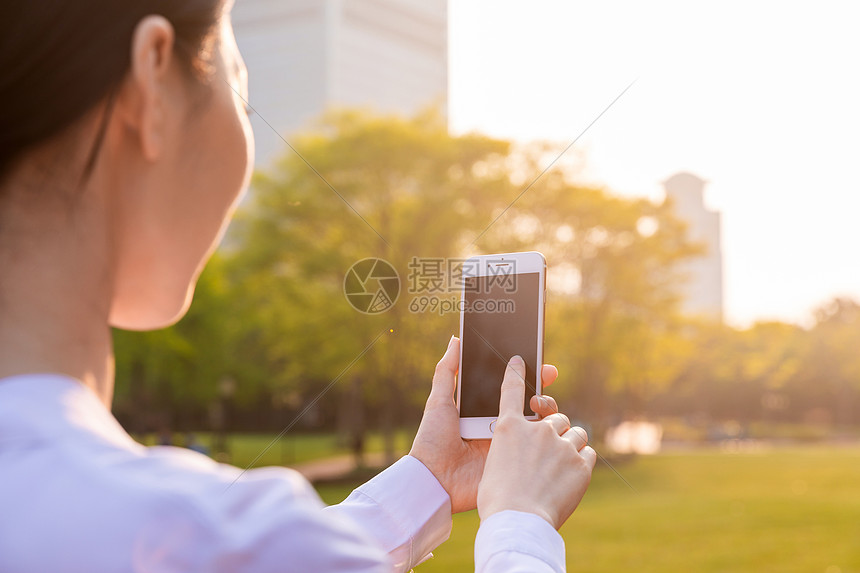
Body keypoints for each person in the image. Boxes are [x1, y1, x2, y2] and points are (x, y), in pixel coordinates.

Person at [0, 1, 597, 571]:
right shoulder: (188, 532)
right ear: (152, 81)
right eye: (243, 94)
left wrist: (430, 480)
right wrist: (521, 525)